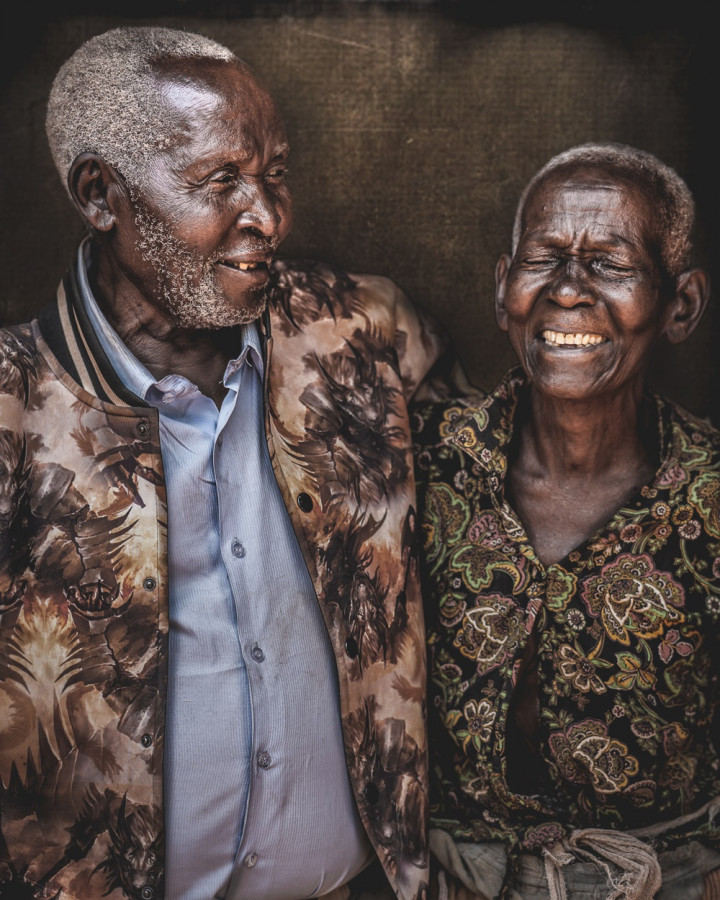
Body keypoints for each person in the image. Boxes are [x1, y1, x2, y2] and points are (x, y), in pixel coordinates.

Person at [0, 26, 463, 900]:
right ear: (101, 194)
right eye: (220, 182)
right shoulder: (16, 408)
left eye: (275, 174)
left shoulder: (358, 332)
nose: (269, 216)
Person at [413, 143, 720, 899]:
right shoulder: (422, 464)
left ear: (680, 304)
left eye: (610, 263)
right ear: (501, 289)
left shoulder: (711, 494)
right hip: (456, 880)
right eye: (543, 259)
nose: (568, 291)